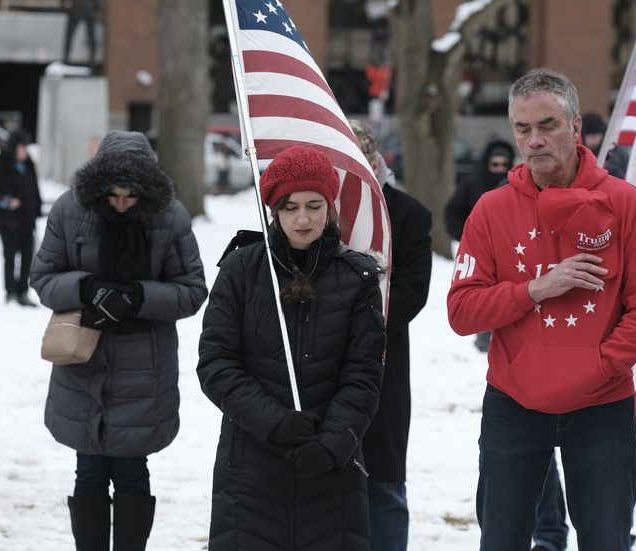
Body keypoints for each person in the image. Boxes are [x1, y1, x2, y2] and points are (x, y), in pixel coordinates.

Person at [446, 68, 636, 550]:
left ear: (575, 126)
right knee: (501, 541)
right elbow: (461, 312)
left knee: (607, 541)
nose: (535, 140)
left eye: (547, 125)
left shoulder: (626, 203)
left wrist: (601, 367)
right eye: (523, 129)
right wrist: (534, 289)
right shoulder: (490, 209)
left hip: (602, 404)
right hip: (513, 402)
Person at [197, 145, 387, 550]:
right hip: (250, 467)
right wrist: (274, 421)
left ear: (330, 207)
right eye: (291, 207)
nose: (304, 219)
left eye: (315, 205)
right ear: (274, 211)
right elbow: (216, 364)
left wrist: (333, 443)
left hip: (330, 470)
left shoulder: (358, 279)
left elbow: (364, 376)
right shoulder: (241, 271)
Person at [29, 130, 208, 550]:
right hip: (82, 358)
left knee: (131, 469)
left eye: (132, 195)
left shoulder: (171, 217)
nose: (123, 203)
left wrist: (139, 297)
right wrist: (87, 288)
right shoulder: (69, 211)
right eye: (114, 195)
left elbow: (193, 290)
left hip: (143, 366)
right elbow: (43, 278)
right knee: (89, 468)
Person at [348, 119, 432, 551]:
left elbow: (412, 293)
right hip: (314, 370)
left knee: (382, 483)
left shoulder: (409, 216)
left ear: (376, 161)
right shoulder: (309, 212)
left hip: (382, 364)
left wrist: (349, 320)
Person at [443, 138, 515, 353]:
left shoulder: (516, 186)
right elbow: (452, 214)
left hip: (512, 253)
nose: (500, 170)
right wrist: (467, 237)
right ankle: (484, 338)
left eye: (504, 165)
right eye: (495, 165)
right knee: (482, 296)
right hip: (480, 254)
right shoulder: (471, 185)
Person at [0, 128, 42, 307]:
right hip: (7, 220)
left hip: (27, 218)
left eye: (26, 146)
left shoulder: (29, 163)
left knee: (27, 256)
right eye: (22, 146)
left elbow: (35, 188)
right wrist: (5, 201)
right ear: (14, 146)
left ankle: (23, 291)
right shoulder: (1, 163)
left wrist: (37, 209)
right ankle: (10, 292)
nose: (25, 150)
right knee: (10, 256)